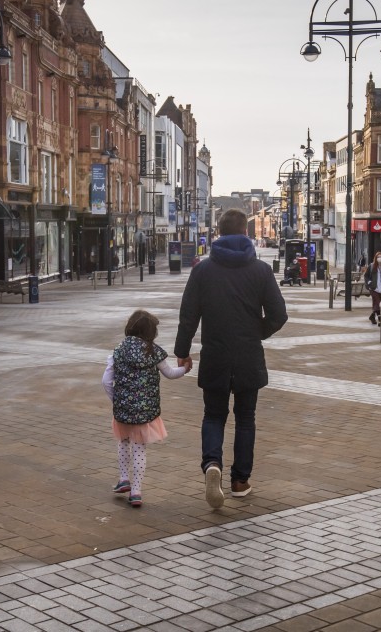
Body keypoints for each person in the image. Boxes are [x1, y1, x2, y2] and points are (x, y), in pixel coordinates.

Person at [175, 209, 288, 508]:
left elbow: (188, 316)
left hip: (215, 354)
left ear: (219, 233)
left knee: (214, 415)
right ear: (246, 233)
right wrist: (256, 333)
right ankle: (240, 481)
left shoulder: (203, 270)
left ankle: (212, 465)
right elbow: (279, 315)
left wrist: (182, 352)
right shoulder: (261, 271)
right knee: (245, 418)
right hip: (248, 356)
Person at [102, 310, 190, 508]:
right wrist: (185, 368)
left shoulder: (118, 351)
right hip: (145, 412)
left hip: (123, 410)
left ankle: (124, 478)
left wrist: (116, 399)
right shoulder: (153, 352)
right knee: (139, 448)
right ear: (151, 332)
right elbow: (170, 373)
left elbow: (106, 380)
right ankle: (136, 492)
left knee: (123, 442)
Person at [364, 252, 381, 325]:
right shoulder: (372, 266)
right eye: (378, 257)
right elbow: (366, 275)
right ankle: (380, 320)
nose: (380, 258)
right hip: (373, 288)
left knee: (376, 304)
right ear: (376, 258)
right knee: (378, 303)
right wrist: (369, 282)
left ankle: (372, 317)